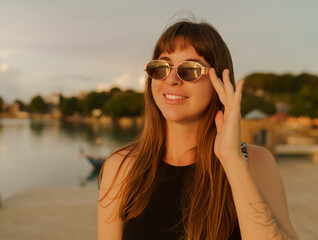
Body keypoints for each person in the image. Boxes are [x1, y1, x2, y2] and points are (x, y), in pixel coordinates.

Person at [98, 19, 299, 240]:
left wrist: (232, 161)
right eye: (162, 67)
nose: (172, 79)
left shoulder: (256, 162)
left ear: (219, 82)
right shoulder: (122, 167)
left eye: (190, 69)